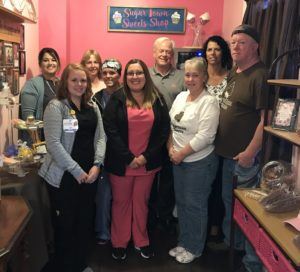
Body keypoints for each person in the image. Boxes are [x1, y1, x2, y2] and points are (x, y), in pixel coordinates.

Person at [39, 63, 106, 272]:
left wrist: (97, 165)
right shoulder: (56, 106)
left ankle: (79, 264)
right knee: (65, 225)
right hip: (64, 176)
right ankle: (64, 266)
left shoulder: (92, 106)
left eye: (83, 80)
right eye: (74, 80)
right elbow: (53, 143)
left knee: (84, 221)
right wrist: (76, 170)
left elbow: (101, 137)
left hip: (90, 175)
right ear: (65, 82)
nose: (79, 84)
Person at [103, 59, 170, 260]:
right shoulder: (117, 98)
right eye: (131, 73)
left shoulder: (157, 98)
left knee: (142, 202)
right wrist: (129, 157)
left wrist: (144, 157)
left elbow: (163, 130)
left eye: (139, 73)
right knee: (121, 203)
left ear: (145, 75)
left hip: (147, 164)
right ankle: (119, 242)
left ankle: (141, 240)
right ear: (126, 77)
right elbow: (111, 130)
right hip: (122, 163)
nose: (135, 77)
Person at [214, 25, 268, 272]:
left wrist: (250, 153)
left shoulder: (260, 75)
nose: (235, 46)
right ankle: (232, 245)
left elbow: (265, 120)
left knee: (246, 211)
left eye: (242, 42)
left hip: (244, 159)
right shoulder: (235, 72)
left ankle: (250, 261)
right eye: (233, 42)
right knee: (229, 204)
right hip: (226, 155)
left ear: (255, 46)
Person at [168, 57, 219, 264]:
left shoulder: (209, 102)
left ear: (204, 77)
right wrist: (171, 148)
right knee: (182, 203)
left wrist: (181, 154)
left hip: (199, 162)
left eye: (195, 75)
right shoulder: (181, 96)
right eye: (187, 74)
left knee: (195, 205)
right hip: (178, 160)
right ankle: (184, 241)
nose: (190, 79)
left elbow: (206, 136)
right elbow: (171, 126)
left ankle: (195, 248)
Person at [148, 37, 185, 233]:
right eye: (161, 51)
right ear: (154, 53)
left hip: (175, 137)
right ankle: (150, 215)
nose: (164, 55)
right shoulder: (144, 74)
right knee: (151, 178)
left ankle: (165, 216)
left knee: (170, 180)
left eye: (168, 52)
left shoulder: (182, 76)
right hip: (150, 138)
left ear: (173, 55)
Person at [203, 35, 232, 243]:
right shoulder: (199, 76)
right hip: (202, 140)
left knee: (221, 187)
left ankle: (216, 225)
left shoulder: (231, 77)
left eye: (217, 49)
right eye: (209, 49)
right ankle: (203, 224)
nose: (213, 54)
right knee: (204, 185)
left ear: (223, 52)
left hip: (223, 140)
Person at [93, 59, 122, 245]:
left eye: (113, 72)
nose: (109, 76)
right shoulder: (95, 97)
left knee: (121, 198)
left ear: (119, 74)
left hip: (122, 153)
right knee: (103, 196)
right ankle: (103, 232)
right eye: (106, 73)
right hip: (102, 152)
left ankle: (122, 233)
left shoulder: (127, 95)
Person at [20, 47, 60, 122]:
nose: (50, 63)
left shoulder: (62, 82)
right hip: (43, 132)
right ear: (40, 64)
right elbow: (28, 119)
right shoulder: (32, 85)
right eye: (46, 60)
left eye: (53, 60)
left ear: (57, 63)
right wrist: (34, 134)